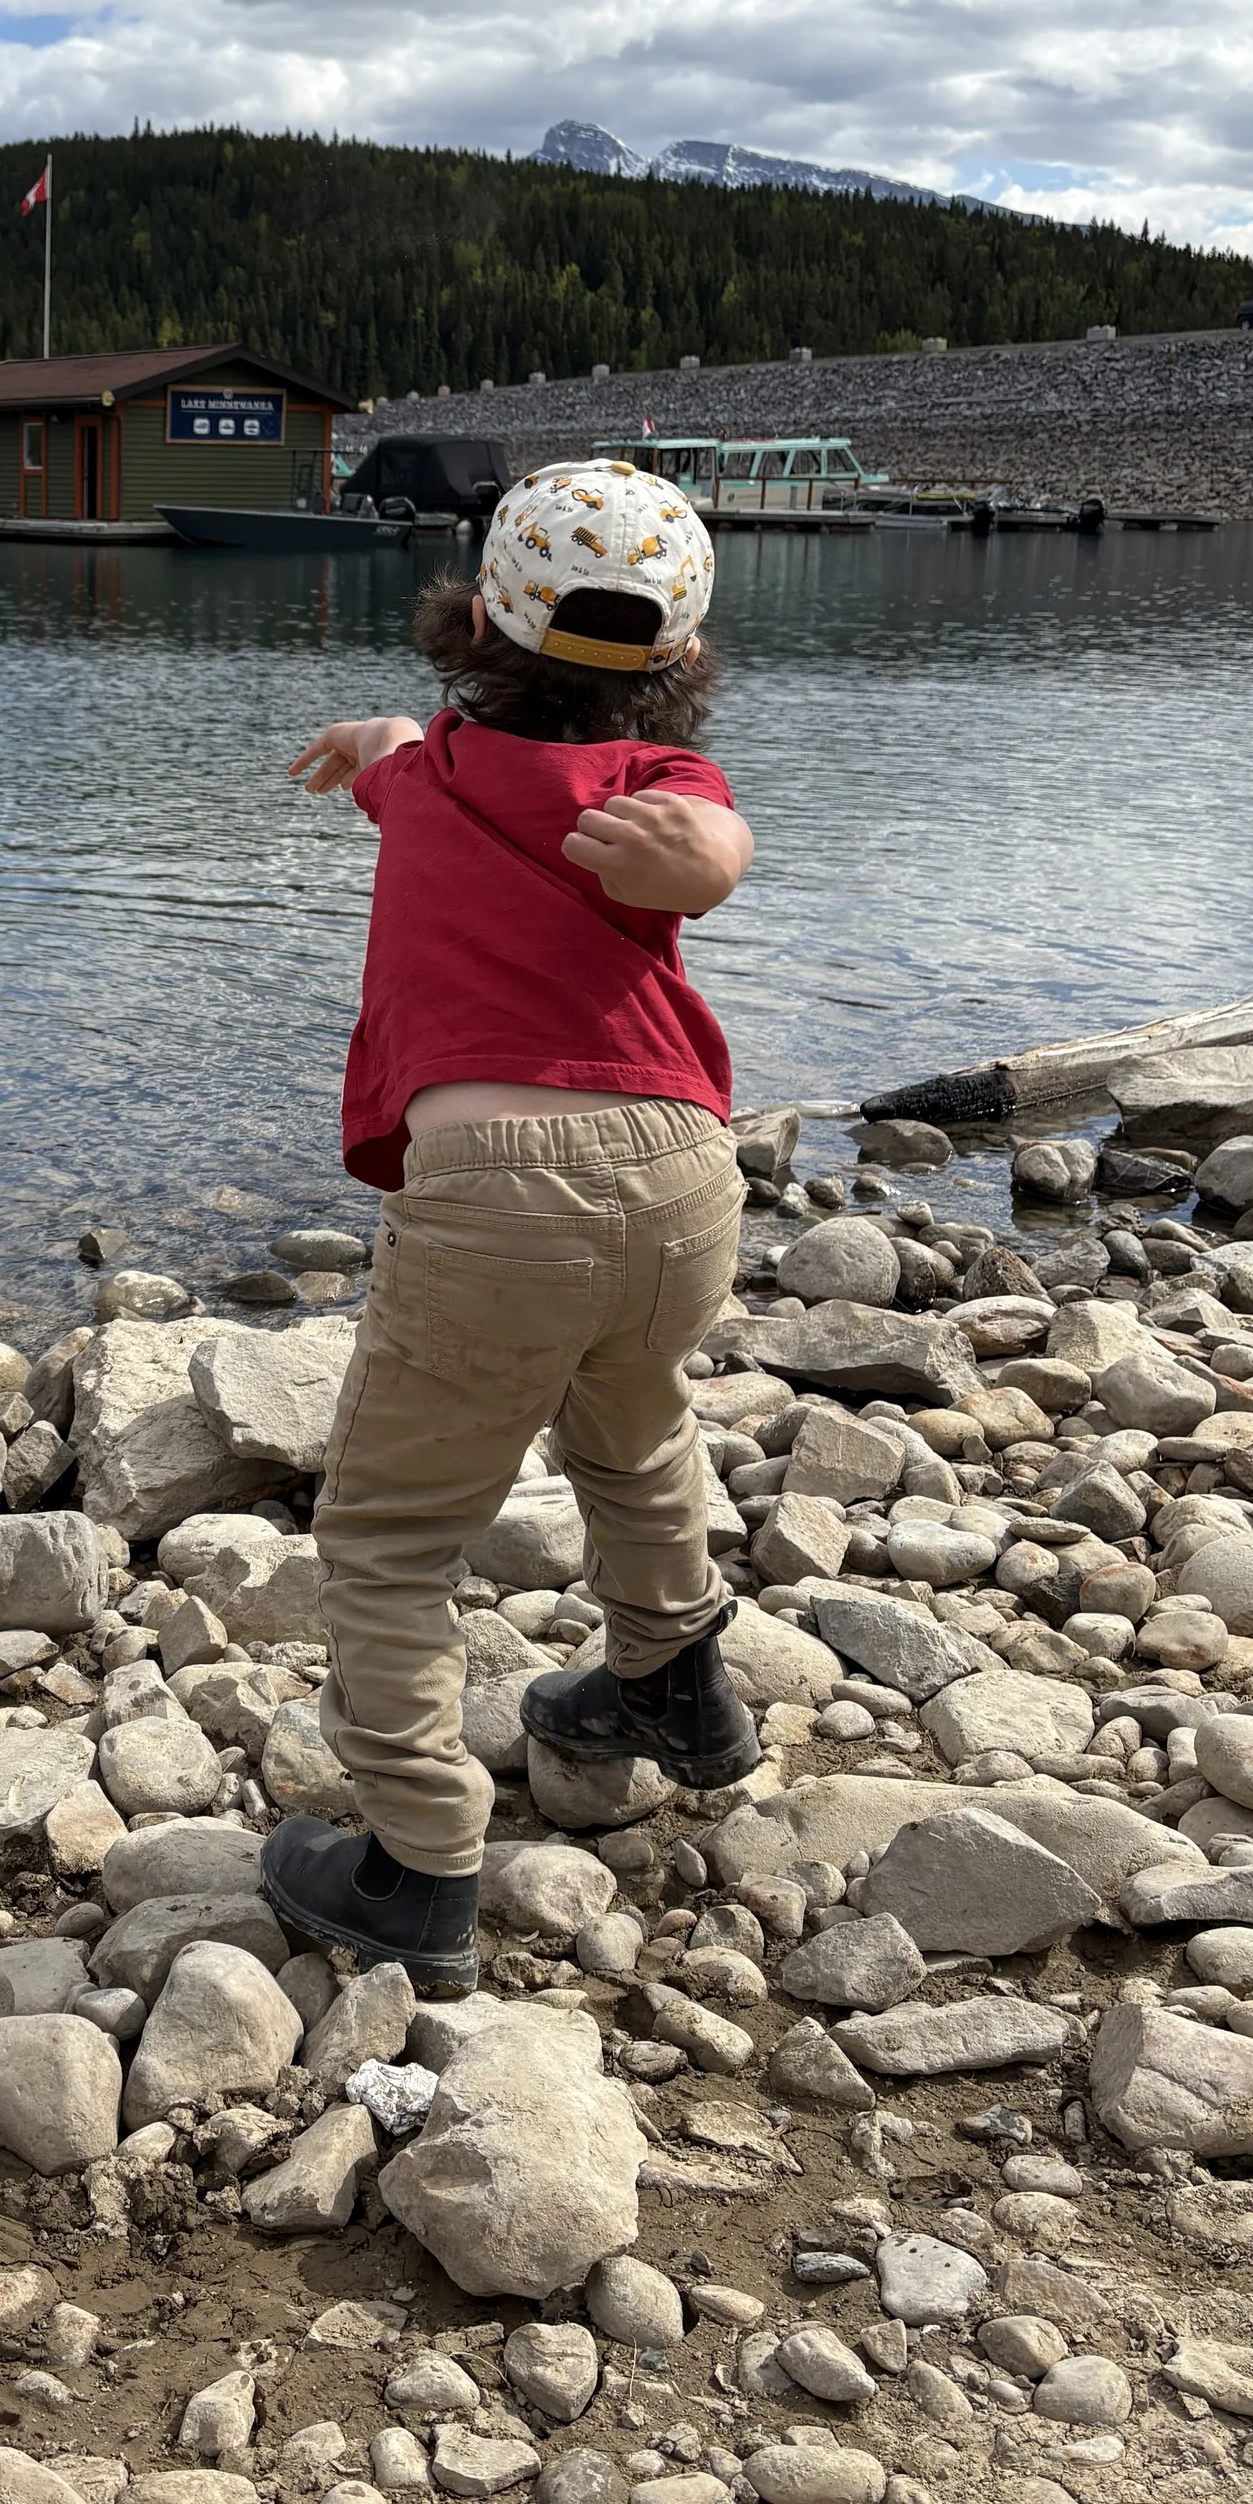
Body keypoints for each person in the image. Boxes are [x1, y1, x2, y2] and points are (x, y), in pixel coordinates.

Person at [258, 459, 759, 1993]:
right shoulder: (638, 784)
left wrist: (382, 740)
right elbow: (703, 840)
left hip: (498, 1198)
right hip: (682, 1175)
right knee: (634, 1421)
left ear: (472, 616)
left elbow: (708, 853)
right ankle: (674, 1687)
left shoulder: (463, 777)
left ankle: (417, 1866)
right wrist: (376, 742)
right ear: (680, 664)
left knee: (392, 1538)